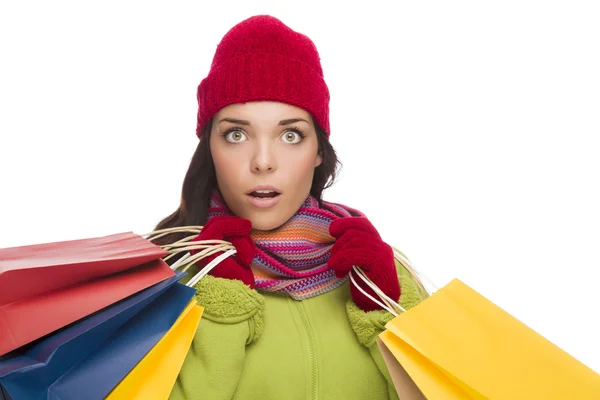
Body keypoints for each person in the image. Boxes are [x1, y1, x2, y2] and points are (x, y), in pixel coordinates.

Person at [154, 14, 426, 400]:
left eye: (290, 134)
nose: (263, 161)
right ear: (210, 149)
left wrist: (389, 313)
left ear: (318, 151)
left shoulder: (385, 276)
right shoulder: (168, 282)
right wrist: (220, 311)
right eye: (236, 134)